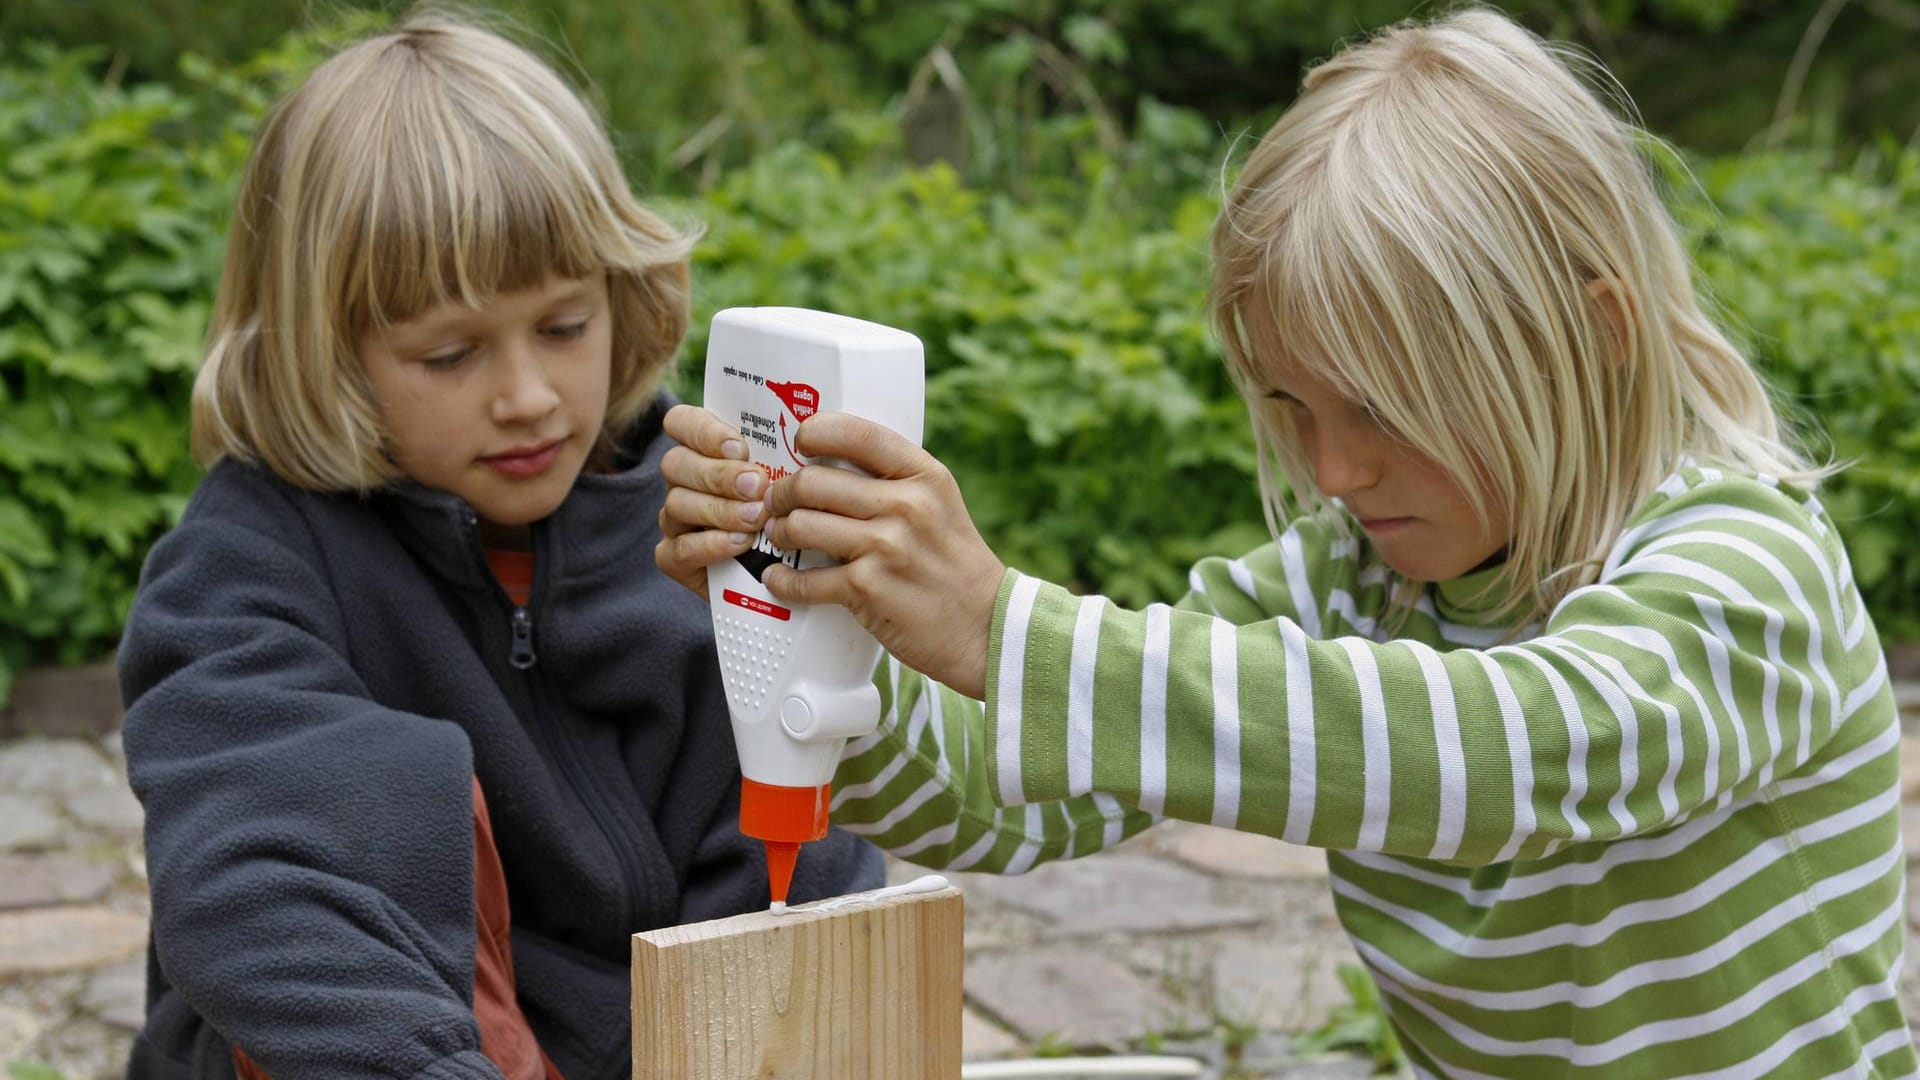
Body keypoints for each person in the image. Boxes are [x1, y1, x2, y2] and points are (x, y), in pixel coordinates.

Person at [655, 9, 1915, 1077]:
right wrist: (811, 644)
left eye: (1383, 408)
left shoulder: (1746, 569)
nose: (1333, 469)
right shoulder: (1350, 581)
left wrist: (1004, 629)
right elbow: (1004, 802)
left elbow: (1506, 757)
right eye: (1294, 407)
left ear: (1596, 334)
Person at [115, 14, 881, 1079]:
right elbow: (259, 879)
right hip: (367, 1049)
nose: (526, 397)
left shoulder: (699, 531)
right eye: (452, 352)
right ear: (329, 354)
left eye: (564, 328)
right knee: (369, 790)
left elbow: (785, 880)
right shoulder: (248, 563)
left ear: (622, 298)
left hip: (630, 1044)